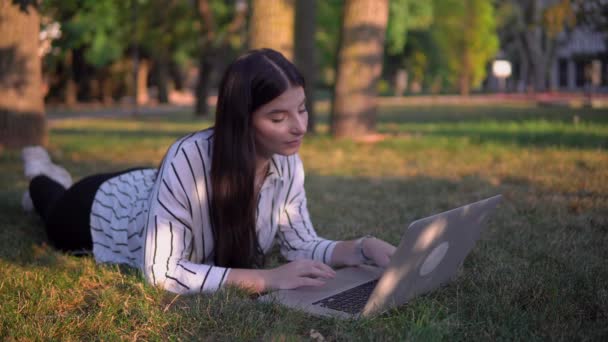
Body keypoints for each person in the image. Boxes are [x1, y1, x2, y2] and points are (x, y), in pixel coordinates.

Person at [22, 48, 396, 295]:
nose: (299, 126)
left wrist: (362, 248)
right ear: (241, 120)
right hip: (101, 210)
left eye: (302, 109)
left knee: (146, 183)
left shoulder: (286, 162)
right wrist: (266, 279)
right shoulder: (188, 157)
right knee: (48, 200)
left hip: (149, 186)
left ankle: (52, 174)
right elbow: (161, 273)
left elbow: (300, 243)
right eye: (278, 117)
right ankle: (39, 168)